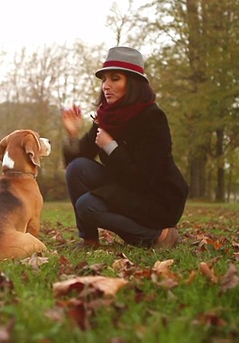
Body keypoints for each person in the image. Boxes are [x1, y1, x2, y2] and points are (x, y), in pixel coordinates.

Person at [61, 46, 189, 249]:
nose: (106, 86)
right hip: (126, 187)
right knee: (78, 169)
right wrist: (73, 134)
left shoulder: (153, 118)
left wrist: (111, 146)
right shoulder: (107, 117)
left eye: (115, 78)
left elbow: (145, 179)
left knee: (87, 206)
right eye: (104, 80)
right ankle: (89, 241)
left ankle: (159, 235)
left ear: (133, 83)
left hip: (157, 198)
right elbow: (75, 162)